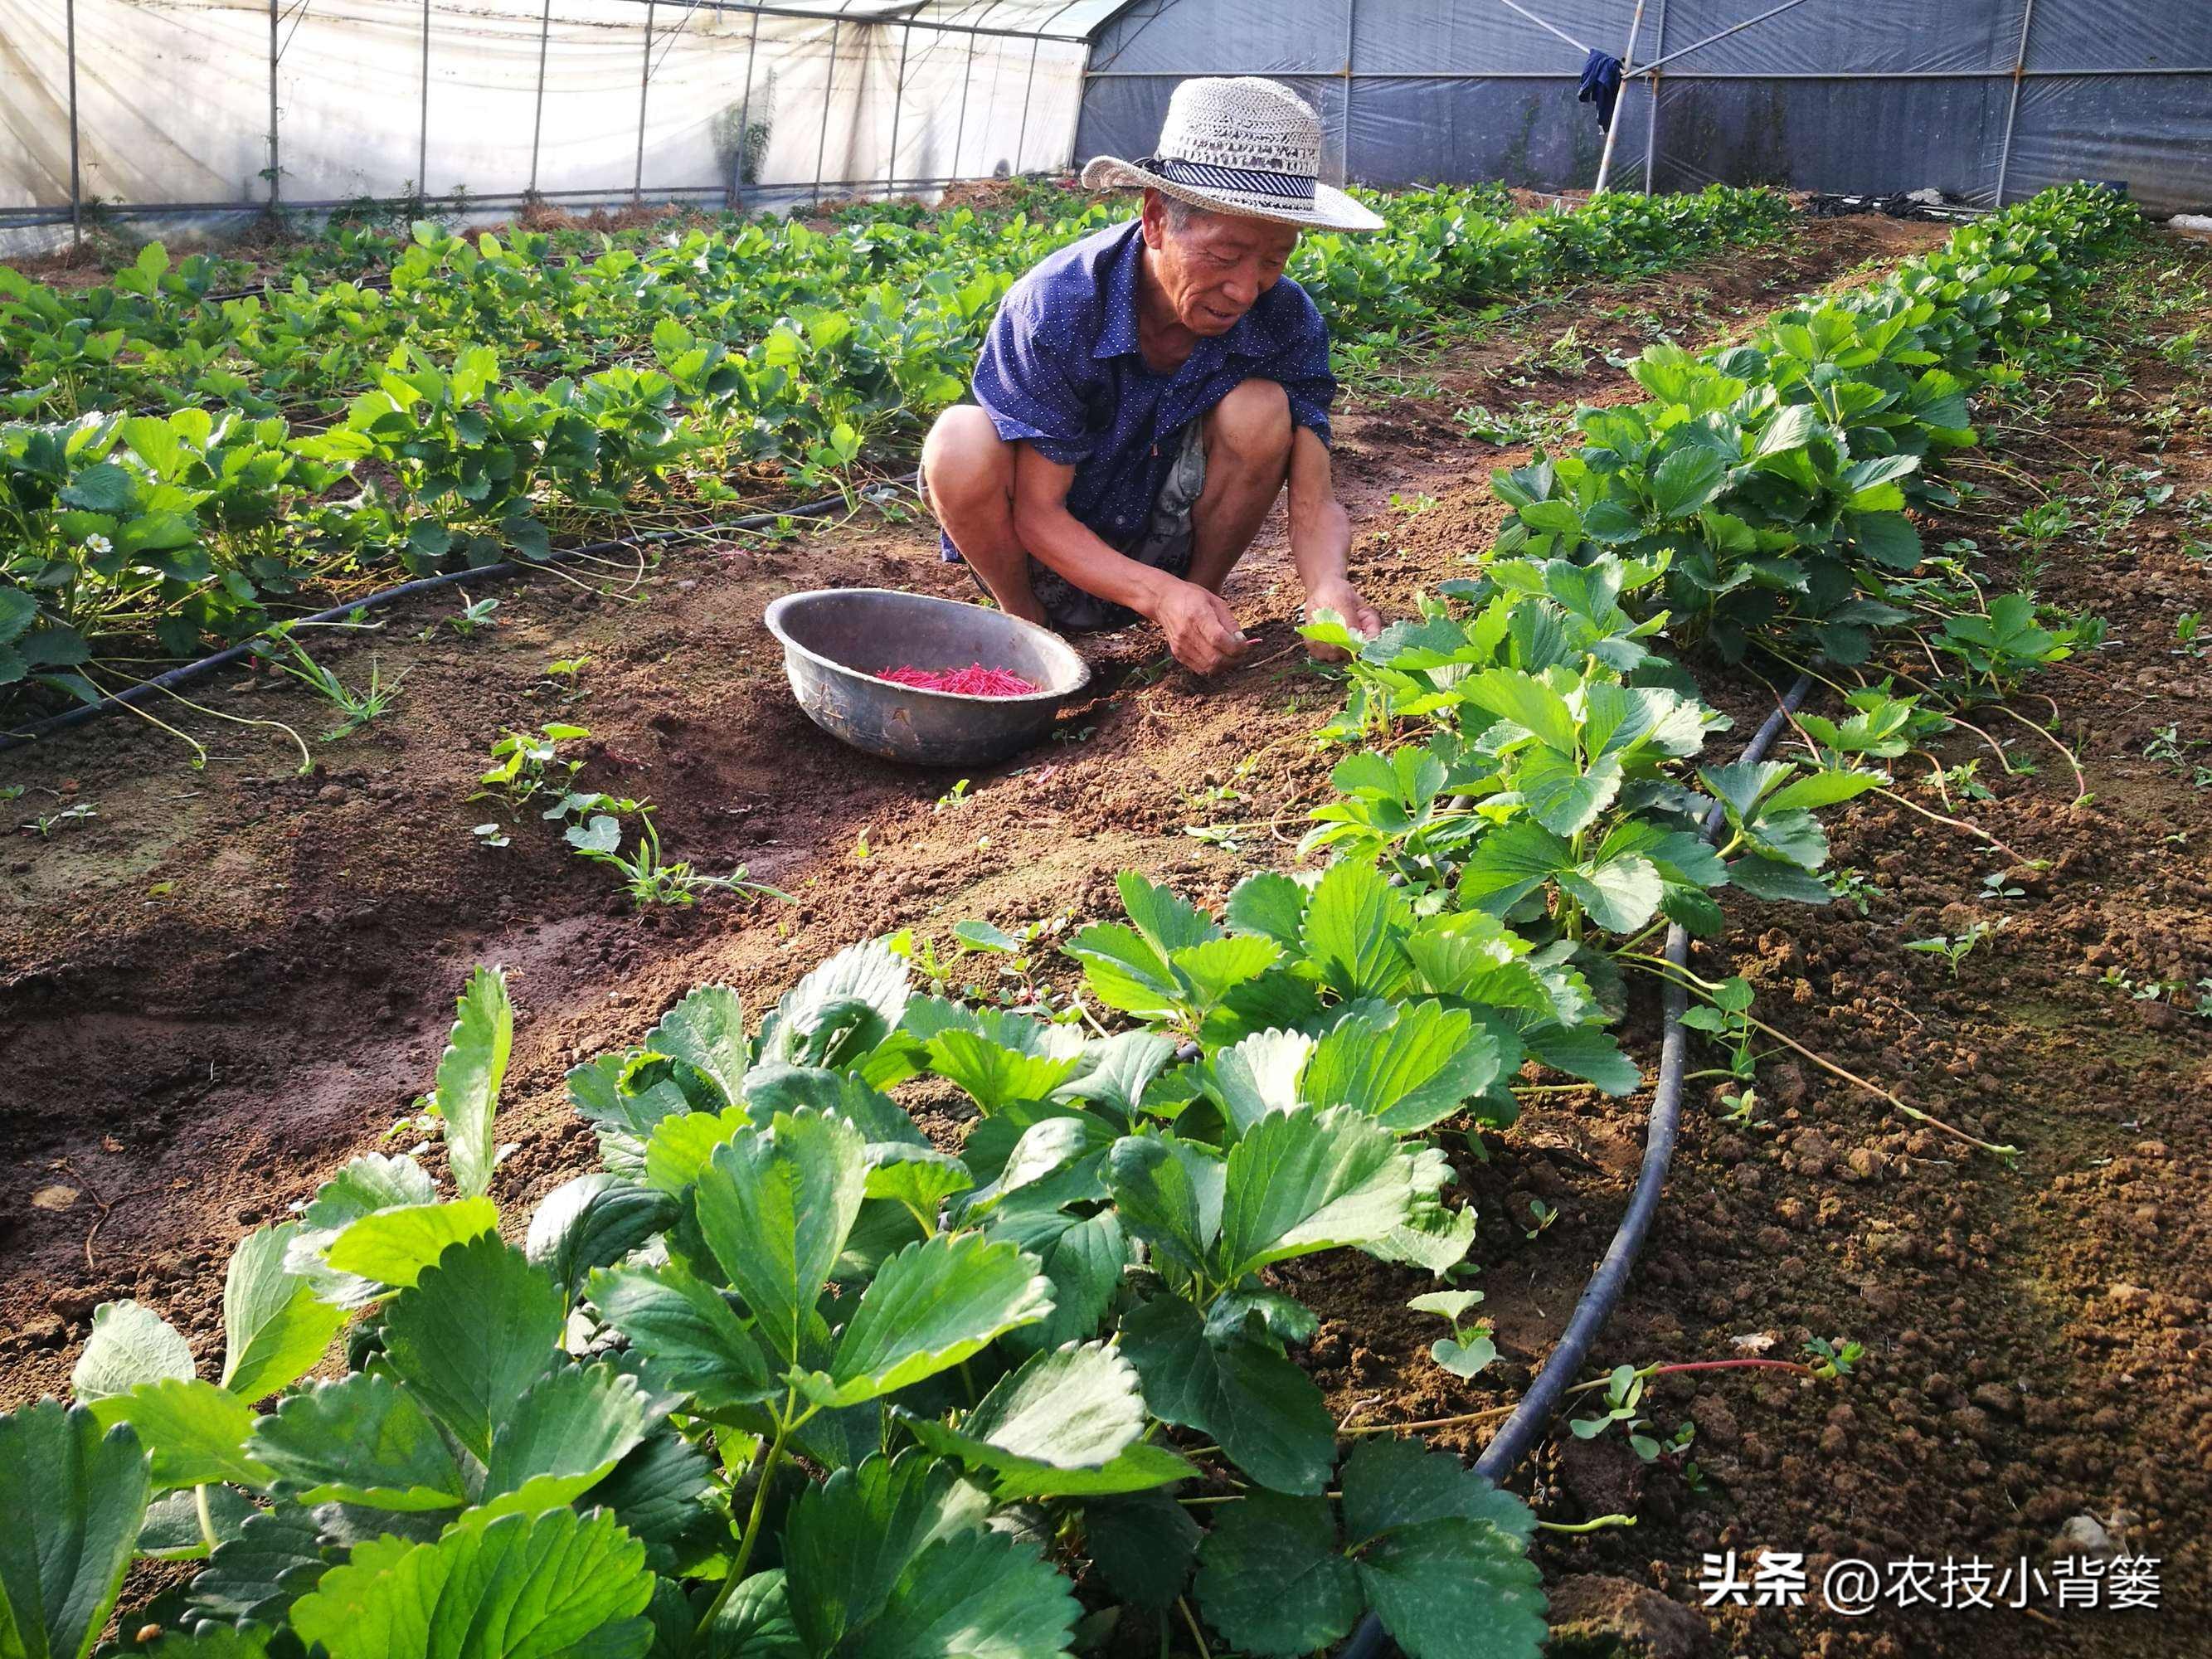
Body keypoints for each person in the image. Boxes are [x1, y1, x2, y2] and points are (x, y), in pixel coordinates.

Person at [921, 76, 1386, 676]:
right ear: (1156, 220)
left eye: (1273, 260)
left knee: (1263, 408)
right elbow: (1038, 514)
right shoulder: (1058, 304)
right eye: (1224, 256)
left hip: (1171, 542)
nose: (1245, 288)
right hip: (1045, 550)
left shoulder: (1285, 318)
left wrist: (1326, 588)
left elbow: (1314, 499)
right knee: (958, 440)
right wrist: (1155, 595)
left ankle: (1199, 614)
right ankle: (1028, 629)